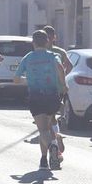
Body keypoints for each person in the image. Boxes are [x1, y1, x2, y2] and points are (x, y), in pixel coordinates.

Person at [17, 28, 66, 171]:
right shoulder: (53, 55)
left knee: (42, 130)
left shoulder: (28, 57)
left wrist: (28, 80)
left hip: (36, 97)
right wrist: (63, 84)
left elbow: (16, 79)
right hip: (52, 96)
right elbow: (61, 68)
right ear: (47, 42)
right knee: (48, 127)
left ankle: (53, 147)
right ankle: (44, 159)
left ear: (33, 43)